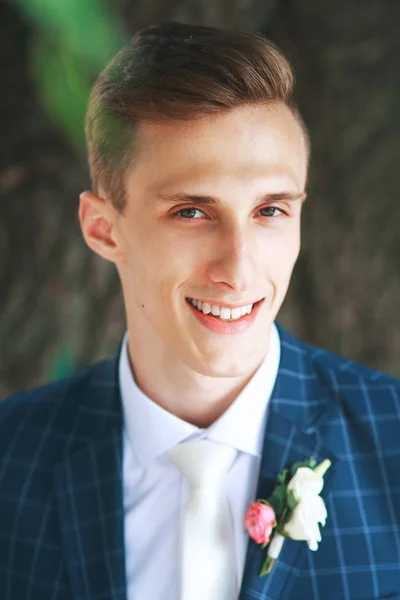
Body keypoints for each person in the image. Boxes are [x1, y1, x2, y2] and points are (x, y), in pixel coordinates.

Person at [1, 20, 400, 600]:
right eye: (192, 212)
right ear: (102, 228)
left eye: (270, 211)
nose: (238, 269)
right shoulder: (11, 460)